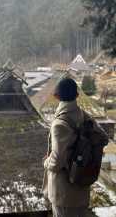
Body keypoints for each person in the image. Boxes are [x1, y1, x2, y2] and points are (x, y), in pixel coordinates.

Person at [43, 77, 108, 217]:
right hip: (82, 188)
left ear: (56, 96)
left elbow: (57, 160)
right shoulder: (85, 116)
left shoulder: (59, 124)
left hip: (64, 194)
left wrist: (46, 162)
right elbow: (104, 138)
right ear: (77, 95)